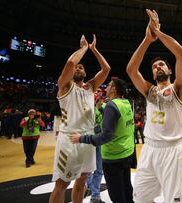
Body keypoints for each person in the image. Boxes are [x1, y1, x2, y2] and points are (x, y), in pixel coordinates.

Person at [126, 9, 182, 203]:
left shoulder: (179, 88)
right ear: (153, 74)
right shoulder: (149, 90)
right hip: (149, 149)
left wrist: (157, 32)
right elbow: (131, 70)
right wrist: (147, 40)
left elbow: (181, 54)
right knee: (139, 198)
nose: (158, 67)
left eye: (162, 64)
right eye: (155, 67)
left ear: (169, 70)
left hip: (173, 151)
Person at [49, 34, 111, 203]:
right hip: (69, 139)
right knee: (62, 184)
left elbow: (106, 69)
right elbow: (70, 63)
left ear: (85, 72)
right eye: (76, 67)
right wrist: (83, 48)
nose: (77, 68)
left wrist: (94, 50)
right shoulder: (65, 86)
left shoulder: (90, 87)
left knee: (83, 179)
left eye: (81, 67)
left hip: (88, 138)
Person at [70, 78, 135, 203]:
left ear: (114, 89)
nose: (106, 88)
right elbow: (116, 118)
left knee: (117, 195)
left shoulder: (111, 105)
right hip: (126, 153)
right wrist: (99, 107)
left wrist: (81, 138)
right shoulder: (125, 103)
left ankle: (94, 193)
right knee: (127, 189)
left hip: (113, 156)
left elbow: (106, 136)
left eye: (109, 85)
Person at [84, 89, 106, 203]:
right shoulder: (86, 108)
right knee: (87, 169)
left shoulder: (104, 108)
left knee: (99, 169)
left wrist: (99, 108)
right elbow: (92, 122)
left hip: (99, 141)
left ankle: (95, 195)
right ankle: (90, 188)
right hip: (87, 141)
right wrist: (96, 108)